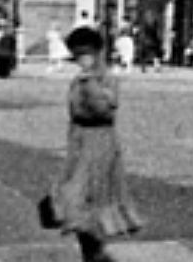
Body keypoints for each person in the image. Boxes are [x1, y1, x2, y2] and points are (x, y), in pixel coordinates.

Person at [50, 26, 142, 262]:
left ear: (97, 52)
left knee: (85, 198)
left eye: (85, 53)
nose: (81, 59)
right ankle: (91, 252)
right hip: (80, 142)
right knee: (76, 198)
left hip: (99, 142)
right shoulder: (79, 79)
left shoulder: (105, 78)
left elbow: (104, 109)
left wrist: (89, 83)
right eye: (77, 54)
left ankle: (95, 252)